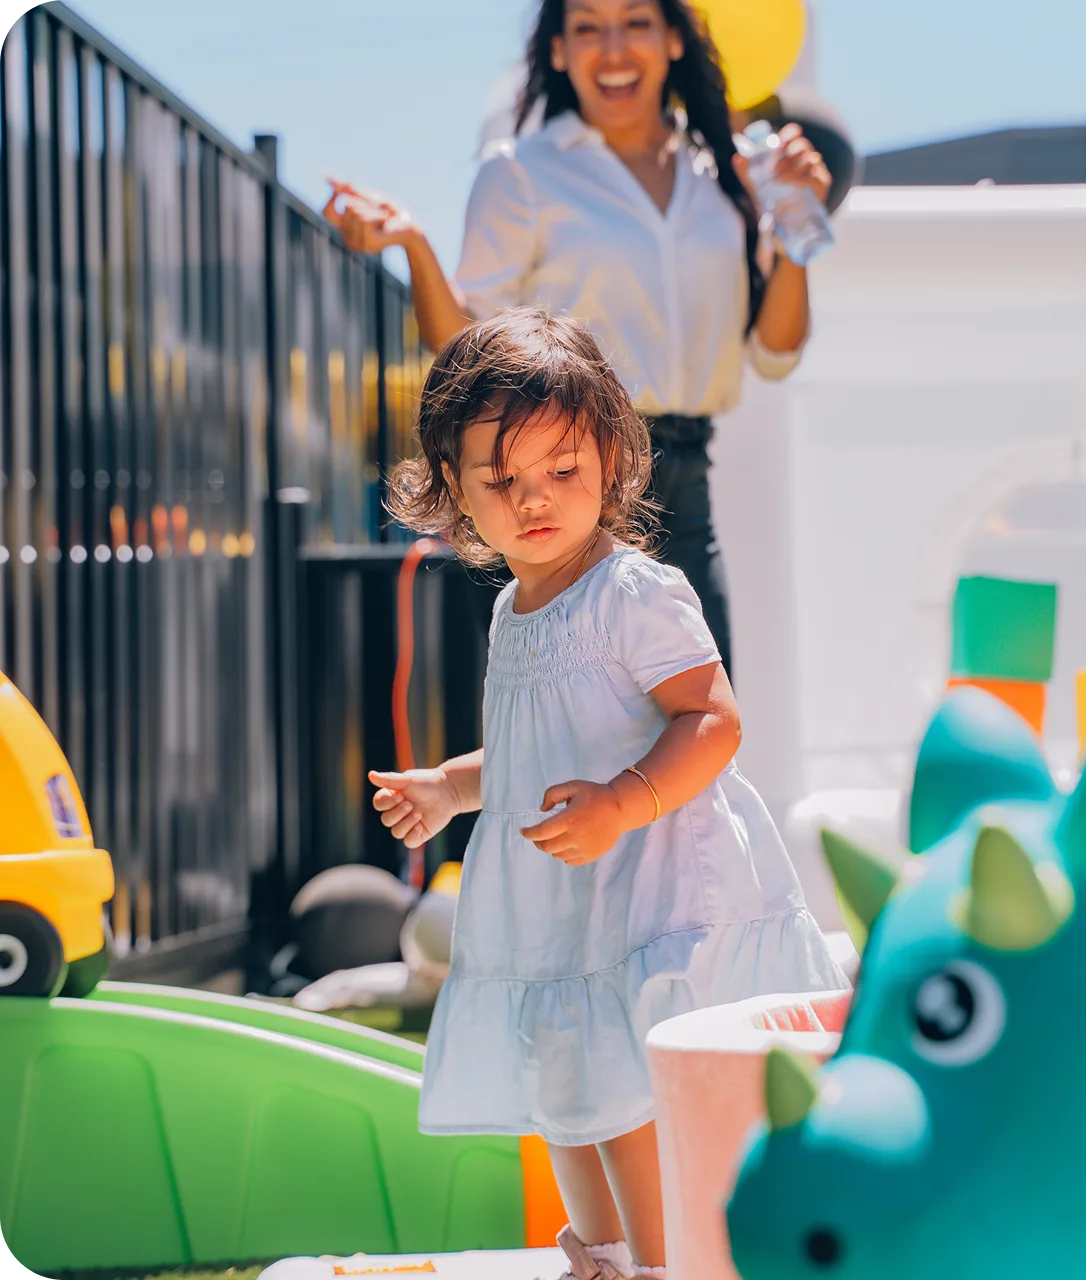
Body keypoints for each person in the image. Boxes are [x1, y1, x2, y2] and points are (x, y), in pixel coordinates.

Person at [367, 309, 847, 1280]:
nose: (532, 499)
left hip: (650, 886)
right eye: (501, 480)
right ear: (455, 489)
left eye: (562, 471)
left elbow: (712, 718)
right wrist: (450, 787)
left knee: (624, 1090)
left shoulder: (633, 590)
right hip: (559, 907)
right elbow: (525, 748)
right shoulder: (512, 608)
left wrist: (623, 801)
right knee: (566, 1094)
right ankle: (606, 1259)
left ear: (610, 464)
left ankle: (666, 1263)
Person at [324, 0, 831, 680]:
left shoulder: (724, 177)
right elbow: (470, 352)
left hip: (685, 478)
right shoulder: (522, 172)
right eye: (588, 28)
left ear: (674, 39)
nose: (613, 49)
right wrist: (416, 246)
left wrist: (795, 223)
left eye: (637, 23)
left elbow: (775, 353)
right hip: (565, 478)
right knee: (574, 737)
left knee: (703, 727)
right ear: (559, 52)